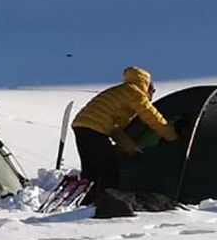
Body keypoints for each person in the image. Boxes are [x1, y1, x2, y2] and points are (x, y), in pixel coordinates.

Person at [71, 66, 179, 197]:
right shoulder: (135, 93)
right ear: (147, 86)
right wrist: (172, 137)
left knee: (91, 169)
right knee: (109, 168)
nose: (152, 96)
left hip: (81, 126)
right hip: (94, 129)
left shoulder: (120, 91)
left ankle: (83, 200)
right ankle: (106, 201)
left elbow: (115, 129)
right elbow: (152, 117)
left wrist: (131, 147)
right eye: (153, 91)